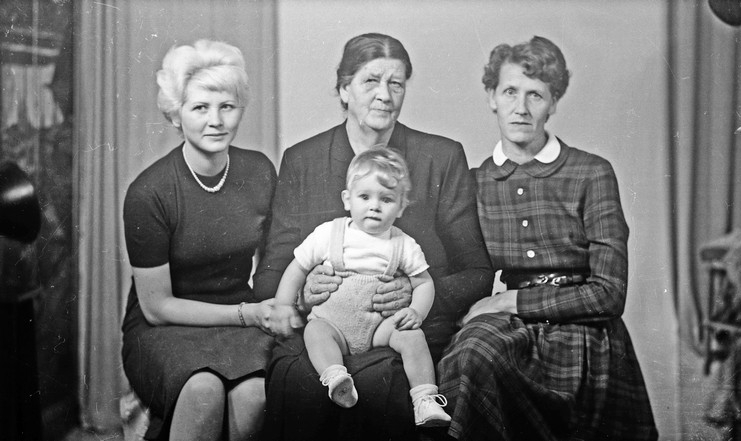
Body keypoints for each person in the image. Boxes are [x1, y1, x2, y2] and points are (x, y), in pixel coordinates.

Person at [253, 33, 493, 441]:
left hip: (405, 329)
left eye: (395, 83)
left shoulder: (440, 157)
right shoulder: (303, 160)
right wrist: (302, 293)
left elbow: (478, 272)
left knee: (387, 384)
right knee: (300, 382)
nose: (384, 95)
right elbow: (271, 274)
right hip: (325, 328)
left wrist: (414, 296)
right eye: (370, 81)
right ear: (344, 89)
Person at [437, 36, 658, 440]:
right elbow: (460, 273)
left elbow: (610, 294)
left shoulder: (592, 173)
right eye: (510, 92)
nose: (521, 108)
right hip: (509, 333)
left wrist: (508, 300)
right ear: (491, 97)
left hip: (585, 334)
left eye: (535, 95)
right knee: (471, 356)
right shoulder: (474, 182)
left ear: (553, 102)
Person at [121, 39, 277, 441]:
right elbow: (157, 307)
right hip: (165, 326)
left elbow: (274, 263)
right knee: (202, 390)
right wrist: (247, 314)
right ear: (176, 114)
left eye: (227, 106)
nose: (216, 120)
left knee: (255, 396)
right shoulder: (149, 193)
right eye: (200, 108)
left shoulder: (259, 171)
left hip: (240, 319)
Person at [269, 148, 452, 427]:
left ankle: (425, 399)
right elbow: (297, 268)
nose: (374, 206)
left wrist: (416, 311)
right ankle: (336, 377)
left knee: (413, 336)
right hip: (333, 323)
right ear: (347, 199)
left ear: (401, 207)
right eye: (365, 197)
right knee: (315, 331)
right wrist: (283, 305)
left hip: (379, 327)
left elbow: (423, 282)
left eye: (386, 199)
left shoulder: (403, 244)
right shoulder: (329, 233)